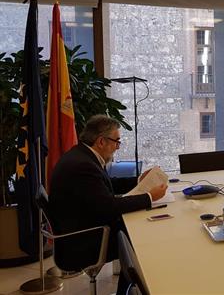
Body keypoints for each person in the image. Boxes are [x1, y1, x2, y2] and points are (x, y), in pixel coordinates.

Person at [49, 115, 167, 295]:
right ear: (101, 141)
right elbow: (109, 207)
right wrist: (149, 197)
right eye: (116, 141)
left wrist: (138, 180)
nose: (118, 147)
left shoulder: (83, 155)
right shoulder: (82, 166)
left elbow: (106, 184)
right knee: (139, 237)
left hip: (82, 226)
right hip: (82, 241)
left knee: (137, 228)